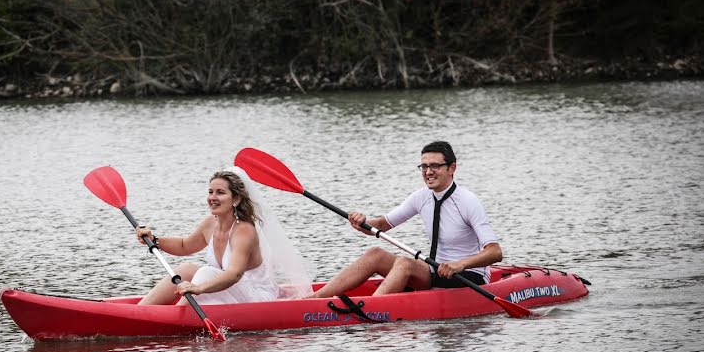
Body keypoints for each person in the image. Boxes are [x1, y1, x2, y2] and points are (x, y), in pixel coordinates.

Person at [309, 141, 502, 298]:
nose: (428, 172)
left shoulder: (468, 201)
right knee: (375, 253)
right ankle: (315, 299)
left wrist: (460, 264)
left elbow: (495, 252)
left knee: (404, 263)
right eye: (424, 166)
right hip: (436, 271)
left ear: (452, 168)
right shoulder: (421, 197)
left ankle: (372, 308)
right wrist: (361, 222)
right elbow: (382, 225)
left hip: (469, 276)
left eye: (435, 166)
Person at [135, 167, 313, 305]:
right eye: (210, 192)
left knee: (204, 272)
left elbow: (234, 274)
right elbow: (184, 245)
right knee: (187, 268)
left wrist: (199, 288)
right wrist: (154, 240)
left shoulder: (244, 230)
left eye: (220, 193)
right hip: (230, 289)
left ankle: (176, 315)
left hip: (257, 298)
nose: (212, 197)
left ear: (235, 199)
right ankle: (140, 311)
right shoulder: (211, 222)